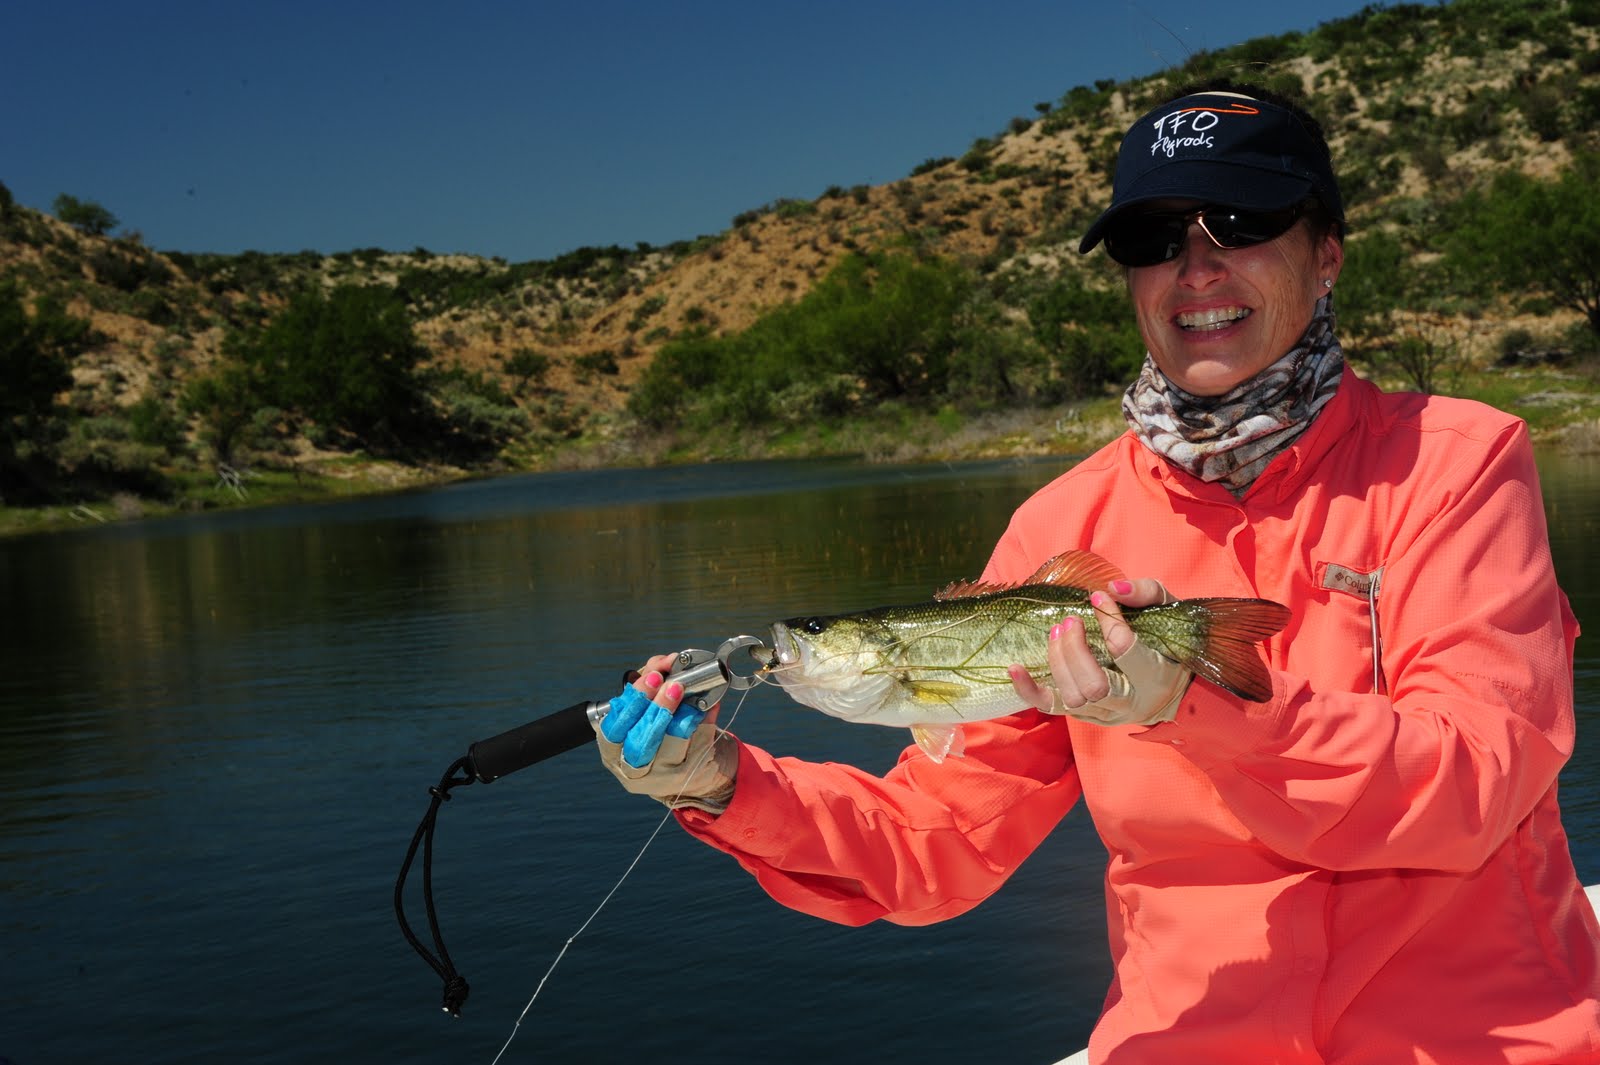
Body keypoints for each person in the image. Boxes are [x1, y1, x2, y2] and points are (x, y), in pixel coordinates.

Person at [596, 79, 1600, 1063]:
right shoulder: (1058, 525)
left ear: (1326, 253)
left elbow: (1477, 779)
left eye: (1240, 223)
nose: (1195, 267)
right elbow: (939, 836)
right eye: (1151, 239)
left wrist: (1194, 707)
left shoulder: (1457, 460)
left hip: (1483, 1038)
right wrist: (722, 784)